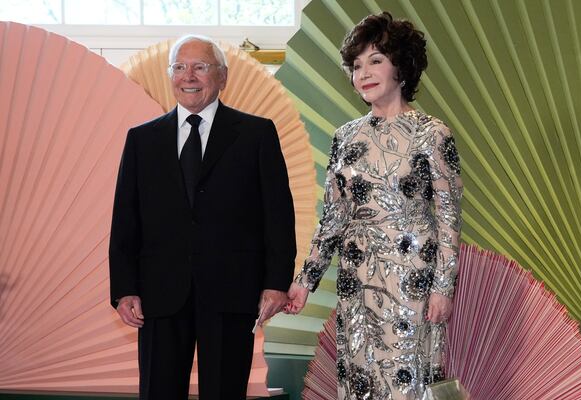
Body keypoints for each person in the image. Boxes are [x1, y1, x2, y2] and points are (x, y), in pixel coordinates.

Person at [286, 12, 462, 399]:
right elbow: (332, 217)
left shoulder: (432, 133)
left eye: (375, 60)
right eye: (356, 65)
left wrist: (442, 287)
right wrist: (305, 281)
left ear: (401, 66)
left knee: (407, 380)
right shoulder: (345, 136)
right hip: (357, 277)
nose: (362, 72)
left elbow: (449, 217)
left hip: (411, 276)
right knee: (360, 379)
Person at [109, 34, 296, 400]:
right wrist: (124, 288)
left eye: (200, 66)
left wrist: (276, 283)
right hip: (159, 295)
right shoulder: (141, 140)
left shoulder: (257, 134)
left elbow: (278, 216)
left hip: (233, 292)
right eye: (179, 67)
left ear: (222, 76)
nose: (188, 76)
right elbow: (125, 221)